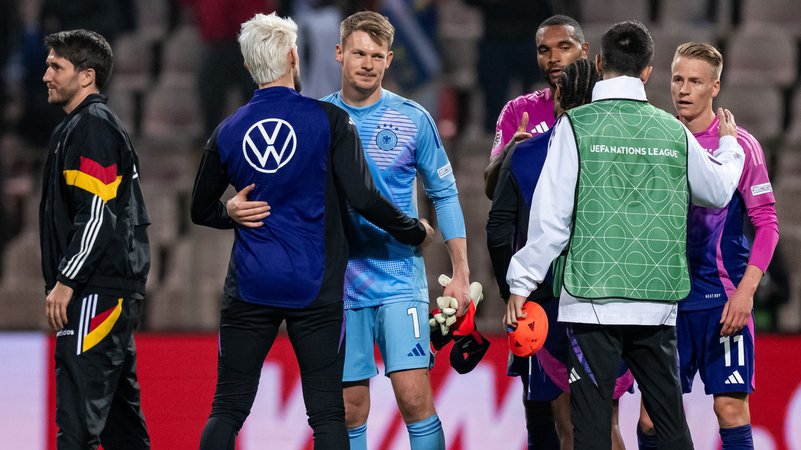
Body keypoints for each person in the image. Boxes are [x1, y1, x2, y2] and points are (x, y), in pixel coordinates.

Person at [191, 13, 431, 450]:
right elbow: (365, 198)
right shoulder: (330, 121)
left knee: (227, 408)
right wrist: (413, 231)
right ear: (292, 57)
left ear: (247, 66)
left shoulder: (227, 130)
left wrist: (231, 213)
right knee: (326, 413)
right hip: (315, 289)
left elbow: (198, 209)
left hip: (250, 284)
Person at [505, 20, 746, 450]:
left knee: (592, 429)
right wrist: (728, 145)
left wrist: (521, 284)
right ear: (649, 71)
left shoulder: (575, 128)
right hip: (657, 304)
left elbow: (551, 221)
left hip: (591, 303)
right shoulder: (673, 131)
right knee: (671, 427)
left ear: (598, 64)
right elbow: (718, 191)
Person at [323, 11, 470, 450]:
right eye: (358, 53)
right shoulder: (320, 118)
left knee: (413, 396)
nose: (367, 63)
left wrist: (461, 271)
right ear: (339, 54)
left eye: (376, 55)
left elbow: (444, 195)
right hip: (341, 281)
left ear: (389, 60)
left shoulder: (413, 119)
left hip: (399, 277)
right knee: (349, 406)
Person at [636, 42, 779, 450]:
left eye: (695, 81)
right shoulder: (657, 141)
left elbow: (767, 224)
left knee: (730, 410)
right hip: (669, 302)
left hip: (723, 301)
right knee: (650, 420)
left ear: (715, 87)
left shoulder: (741, 146)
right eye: (678, 79)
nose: (683, 89)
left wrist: (746, 293)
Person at [487, 59, 632, 450]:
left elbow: (498, 230)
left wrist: (512, 292)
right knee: (608, 419)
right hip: (614, 299)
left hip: (549, 304)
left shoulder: (526, 153)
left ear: (559, 98)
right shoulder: (622, 152)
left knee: (568, 424)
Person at [39, 29, 151, 449]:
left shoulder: (92, 128)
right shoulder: (81, 126)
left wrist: (66, 280)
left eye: (56, 66)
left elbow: (97, 212)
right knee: (121, 427)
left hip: (95, 291)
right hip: (105, 288)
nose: (46, 74)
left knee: (79, 425)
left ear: (87, 76)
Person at [483, 14, 588, 200]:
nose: (553, 58)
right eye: (544, 50)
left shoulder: (603, 105)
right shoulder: (517, 110)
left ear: (584, 51)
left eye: (564, 48)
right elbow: (491, 189)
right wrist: (510, 152)